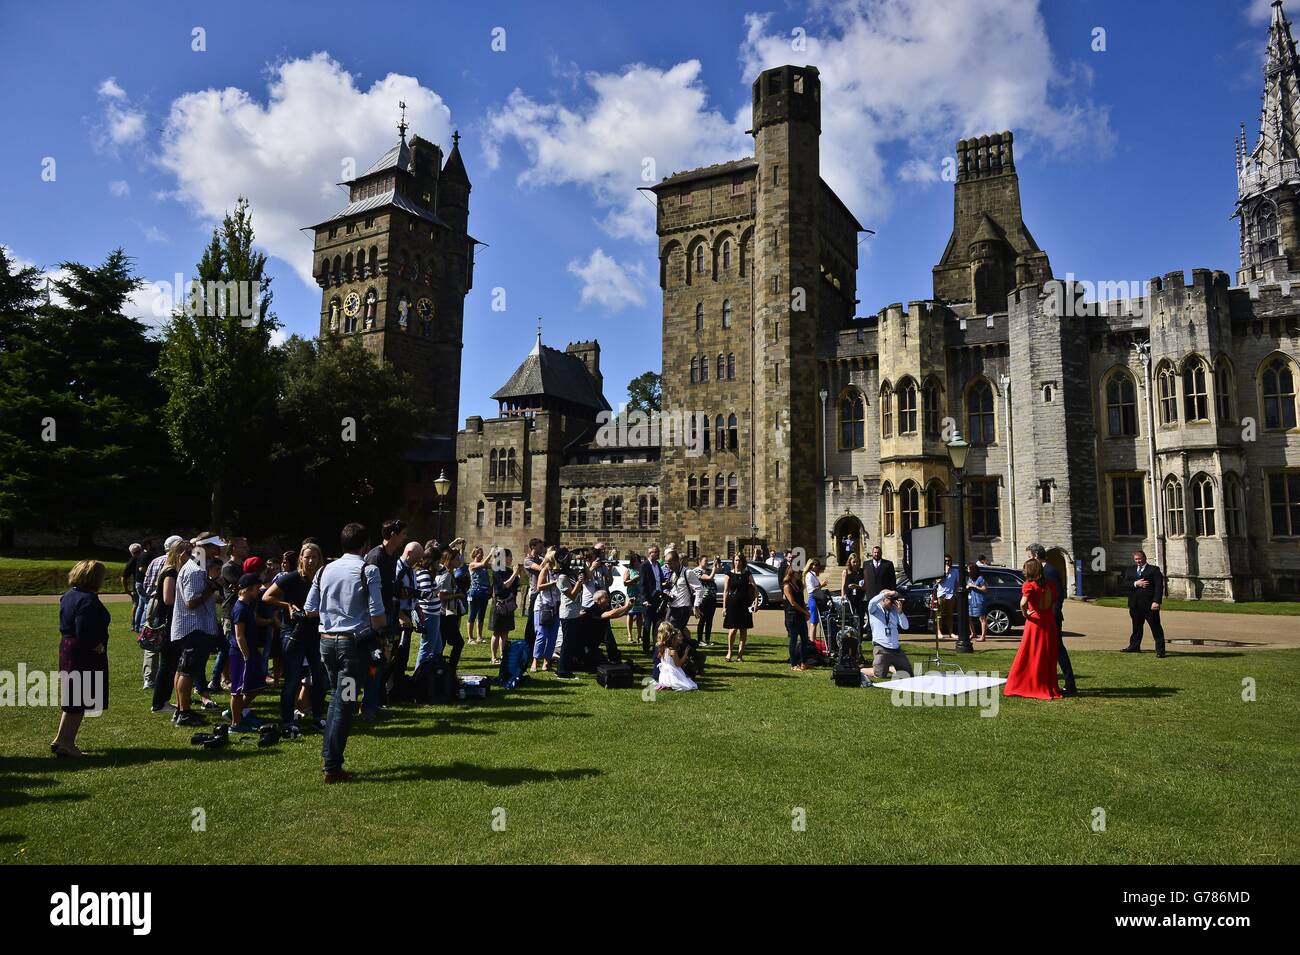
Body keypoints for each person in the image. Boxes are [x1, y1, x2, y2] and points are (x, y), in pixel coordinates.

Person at [305, 522, 386, 784]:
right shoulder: (368, 570)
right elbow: (378, 616)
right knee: (345, 704)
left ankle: (330, 759)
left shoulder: (324, 570)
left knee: (338, 700)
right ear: (365, 545)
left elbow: (309, 608)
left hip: (327, 644)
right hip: (352, 647)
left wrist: (334, 613)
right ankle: (332, 765)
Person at [263, 543, 326, 731]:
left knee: (318, 677)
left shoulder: (323, 578)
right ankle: (288, 720)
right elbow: (267, 596)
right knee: (291, 678)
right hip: (293, 633)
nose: (311, 561)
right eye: (307, 557)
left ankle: (317, 717)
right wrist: (287, 605)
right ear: (301, 559)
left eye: (314, 557)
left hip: (316, 633)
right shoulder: (292, 578)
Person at [52, 560, 111, 756]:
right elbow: (84, 630)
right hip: (83, 653)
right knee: (78, 699)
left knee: (73, 699)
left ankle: (61, 739)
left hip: (69, 649)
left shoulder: (69, 595)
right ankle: (67, 744)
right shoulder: (88, 600)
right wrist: (97, 646)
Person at [168, 534, 225, 727]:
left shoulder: (196, 568)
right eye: (213, 548)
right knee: (187, 671)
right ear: (205, 548)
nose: (217, 552)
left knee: (183, 669)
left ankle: (182, 710)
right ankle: (184, 713)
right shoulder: (194, 571)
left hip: (192, 627)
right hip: (194, 627)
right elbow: (191, 602)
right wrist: (214, 588)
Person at [363, 519, 408, 717]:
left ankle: (376, 701)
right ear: (392, 534)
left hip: (388, 613)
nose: (405, 537)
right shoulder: (375, 557)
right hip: (376, 618)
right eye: (403, 533)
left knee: (385, 659)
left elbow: (389, 587)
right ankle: (368, 704)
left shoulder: (392, 557)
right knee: (375, 660)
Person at [1004, 558, 1063, 699]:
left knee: (1029, 654)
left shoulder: (1029, 585)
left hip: (1035, 622)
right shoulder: (1051, 585)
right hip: (1048, 620)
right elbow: (1054, 605)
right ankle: (1046, 684)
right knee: (1047, 655)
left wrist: (1026, 614)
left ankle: (1026, 684)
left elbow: (1023, 603)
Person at [1027, 543, 1076, 693]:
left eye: (1029, 556)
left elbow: (1058, 595)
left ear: (1035, 556)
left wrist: (1053, 613)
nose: (1028, 559)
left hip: (1051, 616)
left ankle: (1070, 684)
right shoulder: (1042, 570)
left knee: (1058, 648)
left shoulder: (1050, 571)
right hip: (1044, 616)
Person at [149, 539, 189, 713]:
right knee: (167, 665)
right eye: (189, 553)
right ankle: (159, 703)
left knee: (171, 664)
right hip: (168, 623)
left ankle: (163, 701)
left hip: (172, 622)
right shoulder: (171, 572)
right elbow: (168, 599)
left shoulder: (173, 570)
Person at [140, 534, 182, 689]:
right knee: (166, 638)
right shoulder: (173, 563)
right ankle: (167, 674)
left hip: (152, 601)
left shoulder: (154, 561)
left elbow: (145, 583)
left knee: (152, 636)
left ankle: (149, 678)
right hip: (166, 603)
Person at [557, 587, 627, 680]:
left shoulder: (604, 608)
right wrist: (626, 607)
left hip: (592, 646)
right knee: (592, 665)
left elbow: (616, 615)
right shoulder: (594, 610)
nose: (608, 599)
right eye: (606, 597)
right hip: (583, 647)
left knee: (602, 662)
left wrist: (628, 608)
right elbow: (610, 614)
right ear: (599, 600)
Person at [228, 573, 268, 732]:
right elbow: (239, 636)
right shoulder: (240, 609)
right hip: (241, 654)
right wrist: (246, 656)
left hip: (250, 652)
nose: (259, 591)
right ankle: (235, 724)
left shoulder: (247, 606)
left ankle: (235, 712)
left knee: (258, 685)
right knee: (237, 690)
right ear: (248, 589)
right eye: (257, 588)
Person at [1121, 549, 1166, 658]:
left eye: (1140, 559)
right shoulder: (1130, 570)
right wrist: (1136, 583)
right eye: (1136, 559)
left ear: (1144, 558)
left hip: (1150, 605)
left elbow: (1159, 587)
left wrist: (1156, 601)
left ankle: (1160, 651)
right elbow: (1125, 583)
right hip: (1135, 605)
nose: (1138, 561)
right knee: (1136, 628)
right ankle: (1134, 646)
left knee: (1156, 628)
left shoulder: (1154, 570)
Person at [390, 541, 422, 689]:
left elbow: (412, 592)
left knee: (404, 653)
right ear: (409, 553)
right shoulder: (396, 569)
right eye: (417, 557)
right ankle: (390, 686)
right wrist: (400, 615)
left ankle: (399, 682)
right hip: (397, 615)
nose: (418, 561)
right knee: (394, 653)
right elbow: (391, 595)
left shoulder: (411, 569)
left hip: (408, 614)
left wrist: (418, 609)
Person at [863, 589, 913, 681]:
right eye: (890, 599)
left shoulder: (894, 610)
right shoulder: (874, 609)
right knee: (879, 675)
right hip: (881, 648)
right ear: (883, 599)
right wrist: (888, 593)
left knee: (908, 675)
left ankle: (890, 668)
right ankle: (861, 670)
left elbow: (905, 626)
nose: (893, 602)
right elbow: (871, 602)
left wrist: (900, 612)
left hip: (896, 649)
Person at [412, 550, 445, 672]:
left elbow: (444, 570)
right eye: (438, 561)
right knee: (426, 648)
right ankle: (418, 675)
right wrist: (437, 591)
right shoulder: (424, 574)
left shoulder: (426, 572)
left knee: (437, 648)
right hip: (429, 615)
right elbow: (426, 595)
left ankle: (434, 674)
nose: (439, 564)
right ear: (432, 561)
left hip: (433, 615)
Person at [488, 548, 521, 665]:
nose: (511, 559)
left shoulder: (508, 570)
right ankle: (493, 657)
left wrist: (517, 574)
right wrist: (515, 574)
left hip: (508, 604)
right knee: (497, 632)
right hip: (499, 604)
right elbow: (503, 587)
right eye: (510, 556)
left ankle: (503, 655)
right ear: (504, 558)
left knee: (505, 632)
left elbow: (516, 585)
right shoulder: (497, 571)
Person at [722, 553, 756, 663]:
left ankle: (740, 655)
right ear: (733, 562)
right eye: (736, 560)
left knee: (743, 630)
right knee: (732, 629)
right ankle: (730, 652)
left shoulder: (748, 574)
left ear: (743, 562)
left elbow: (755, 588)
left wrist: (755, 603)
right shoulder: (728, 574)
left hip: (745, 604)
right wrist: (724, 607)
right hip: (732, 605)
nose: (738, 562)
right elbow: (726, 591)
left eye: (740, 560)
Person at [532, 547, 561, 671]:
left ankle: (546, 661)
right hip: (543, 607)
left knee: (553, 636)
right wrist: (553, 583)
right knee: (541, 635)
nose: (549, 564)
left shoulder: (560, 572)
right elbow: (539, 587)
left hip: (555, 607)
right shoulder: (545, 571)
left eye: (551, 562)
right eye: (548, 561)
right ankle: (535, 660)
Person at [437, 548, 466, 670]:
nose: (459, 560)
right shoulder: (447, 575)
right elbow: (441, 596)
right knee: (458, 643)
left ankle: (441, 668)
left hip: (450, 611)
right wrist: (457, 596)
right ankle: (450, 668)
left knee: (442, 642)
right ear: (450, 560)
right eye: (457, 558)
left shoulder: (448, 573)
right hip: (446, 613)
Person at [782, 564, 811, 671]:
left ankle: (804, 662)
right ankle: (793, 664)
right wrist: (804, 611)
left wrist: (806, 612)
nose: (800, 574)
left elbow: (801, 601)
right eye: (798, 572)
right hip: (792, 616)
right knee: (793, 640)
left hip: (801, 616)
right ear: (792, 573)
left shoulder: (798, 585)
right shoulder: (787, 586)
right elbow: (793, 603)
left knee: (804, 640)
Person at [654, 622, 697, 692]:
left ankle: (665, 685)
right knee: (689, 683)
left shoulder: (661, 649)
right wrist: (685, 654)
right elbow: (678, 664)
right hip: (673, 674)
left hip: (663, 676)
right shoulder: (672, 651)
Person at [639, 546, 664, 654]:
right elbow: (642, 584)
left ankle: (655, 646)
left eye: (658, 551)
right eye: (656, 552)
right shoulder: (644, 566)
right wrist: (644, 599)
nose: (658, 554)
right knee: (647, 624)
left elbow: (659, 580)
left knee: (657, 624)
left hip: (658, 598)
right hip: (648, 599)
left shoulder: (658, 565)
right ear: (650, 553)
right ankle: (645, 647)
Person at [690, 555, 718, 647]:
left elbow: (718, 569)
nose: (707, 562)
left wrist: (716, 562)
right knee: (703, 619)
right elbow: (709, 578)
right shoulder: (696, 571)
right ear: (699, 561)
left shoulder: (707, 569)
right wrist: (713, 568)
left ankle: (707, 639)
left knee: (710, 620)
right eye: (705, 561)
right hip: (703, 598)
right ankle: (700, 639)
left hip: (712, 597)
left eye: (707, 561)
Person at [466, 546, 492, 645]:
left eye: (482, 553)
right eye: (479, 553)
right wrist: (491, 553)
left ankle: (479, 637)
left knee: (481, 615)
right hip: (474, 592)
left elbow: (496, 566)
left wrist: (498, 556)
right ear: (474, 554)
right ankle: (470, 638)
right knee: (472, 615)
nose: (481, 554)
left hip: (484, 593)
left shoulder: (484, 565)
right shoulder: (472, 565)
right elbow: (484, 564)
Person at [663, 548, 692, 633]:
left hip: (682, 607)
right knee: (667, 629)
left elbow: (699, 589)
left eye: (669, 563)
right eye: (666, 564)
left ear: (676, 561)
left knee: (674, 631)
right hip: (672, 606)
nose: (668, 566)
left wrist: (696, 606)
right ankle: (688, 644)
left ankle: (687, 644)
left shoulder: (688, 573)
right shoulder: (673, 573)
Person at [934, 555, 958, 640]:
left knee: (950, 615)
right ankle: (939, 632)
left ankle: (951, 632)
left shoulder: (955, 571)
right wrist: (945, 572)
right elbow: (938, 581)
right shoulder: (939, 571)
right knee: (939, 615)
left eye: (948, 560)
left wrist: (955, 593)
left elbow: (956, 583)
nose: (947, 562)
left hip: (951, 595)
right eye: (945, 561)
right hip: (941, 595)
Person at [804, 558, 826, 650]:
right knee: (813, 621)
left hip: (817, 598)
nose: (817, 567)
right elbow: (811, 590)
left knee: (815, 621)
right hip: (813, 598)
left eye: (818, 565)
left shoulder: (813, 575)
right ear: (811, 565)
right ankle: (811, 641)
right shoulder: (809, 575)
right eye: (816, 565)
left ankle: (812, 639)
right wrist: (822, 585)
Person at [623, 552, 643, 646]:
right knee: (630, 614)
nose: (637, 563)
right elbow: (625, 583)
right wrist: (634, 580)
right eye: (635, 562)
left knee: (639, 615)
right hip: (631, 594)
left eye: (638, 561)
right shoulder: (628, 570)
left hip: (640, 595)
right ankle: (630, 635)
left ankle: (639, 636)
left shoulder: (642, 570)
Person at [965, 562, 989, 641]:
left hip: (979, 600)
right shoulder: (970, 578)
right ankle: (973, 633)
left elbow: (984, 589)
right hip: (971, 601)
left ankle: (983, 636)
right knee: (968, 617)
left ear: (973, 570)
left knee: (982, 618)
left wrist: (974, 586)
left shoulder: (980, 578)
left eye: (968, 569)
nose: (967, 570)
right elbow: (968, 585)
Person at [841, 552, 865, 623]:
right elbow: (843, 586)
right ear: (850, 562)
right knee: (849, 617)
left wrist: (857, 586)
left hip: (860, 597)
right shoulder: (846, 572)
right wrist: (842, 597)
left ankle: (860, 632)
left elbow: (865, 586)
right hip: (849, 597)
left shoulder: (862, 571)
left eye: (857, 562)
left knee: (860, 616)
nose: (855, 564)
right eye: (853, 562)